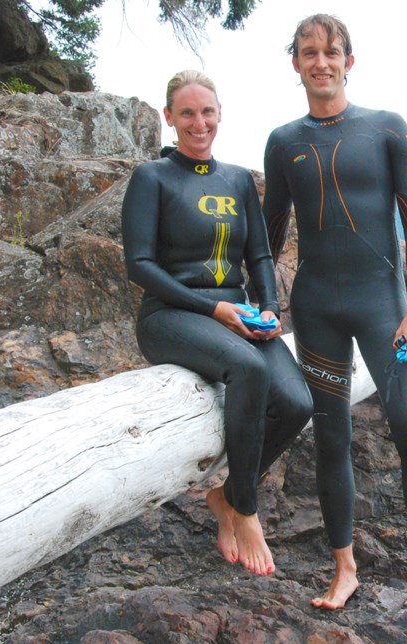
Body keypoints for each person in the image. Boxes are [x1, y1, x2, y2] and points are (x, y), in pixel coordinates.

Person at [263, 15, 407, 621]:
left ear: (349, 61)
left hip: (386, 305)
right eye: (309, 53)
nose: (321, 62)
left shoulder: (388, 128)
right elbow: (269, 234)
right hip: (316, 308)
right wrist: (257, 304)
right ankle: (344, 570)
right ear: (296, 64)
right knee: (331, 436)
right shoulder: (283, 142)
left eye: (331, 52)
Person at [121, 70, 312, 577]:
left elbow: (259, 254)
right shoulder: (152, 178)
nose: (198, 122)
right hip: (172, 316)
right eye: (186, 113)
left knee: (297, 403)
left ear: (220, 113)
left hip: (239, 314)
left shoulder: (237, 180)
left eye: (207, 112)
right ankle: (246, 512)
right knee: (249, 370)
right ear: (169, 117)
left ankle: (225, 496)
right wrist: (214, 310)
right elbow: (139, 264)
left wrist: (269, 308)